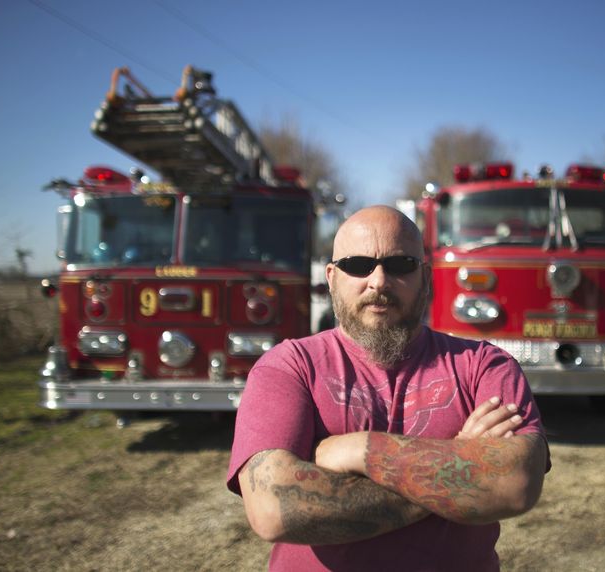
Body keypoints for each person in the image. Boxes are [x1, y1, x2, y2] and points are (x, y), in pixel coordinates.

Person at [227, 205, 550, 571]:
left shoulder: (484, 365)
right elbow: (275, 510)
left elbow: (514, 483)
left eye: (400, 265)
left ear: (425, 278)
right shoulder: (288, 366)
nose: (378, 281)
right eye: (357, 264)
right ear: (331, 278)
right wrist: (457, 462)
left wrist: (356, 450)